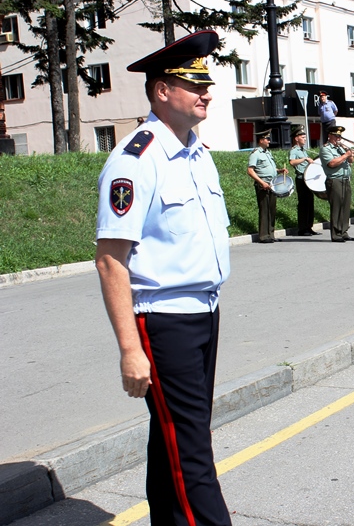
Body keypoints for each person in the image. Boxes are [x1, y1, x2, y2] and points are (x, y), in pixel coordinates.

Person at [94, 30, 233, 525]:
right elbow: (111, 259)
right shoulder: (136, 159)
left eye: (207, 84)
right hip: (163, 321)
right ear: (161, 91)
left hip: (204, 312)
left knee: (173, 437)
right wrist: (131, 348)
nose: (207, 93)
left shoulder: (197, 151)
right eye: (193, 84)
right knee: (191, 448)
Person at [247, 130, 288, 243]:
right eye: (267, 139)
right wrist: (261, 183)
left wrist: (280, 171)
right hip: (263, 184)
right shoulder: (256, 153)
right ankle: (264, 236)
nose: (269, 141)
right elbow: (250, 171)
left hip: (272, 184)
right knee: (264, 210)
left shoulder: (267, 152)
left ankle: (271, 234)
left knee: (272, 209)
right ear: (261, 140)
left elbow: (269, 168)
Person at [319, 125, 354, 242]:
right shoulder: (326, 149)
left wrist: (348, 153)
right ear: (329, 136)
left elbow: (351, 160)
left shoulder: (340, 148)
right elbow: (332, 163)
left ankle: (344, 231)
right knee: (336, 207)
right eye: (336, 136)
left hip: (345, 179)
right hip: (334, 180)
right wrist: (345, 155)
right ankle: (335, 234)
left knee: (345, 207)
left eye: (339, 136)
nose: (338, 138)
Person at [289, 124, 321, 236]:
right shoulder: (295, 150)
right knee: (303, 203)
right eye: (302, 137)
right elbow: (292, 162)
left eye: (305, 136)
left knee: (310, 203)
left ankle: (309, 226)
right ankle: (302, 228)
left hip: (308, 179)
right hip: (301, 178)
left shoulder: (303, 150)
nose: (305, 138)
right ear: (296, 138)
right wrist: (304, 159)